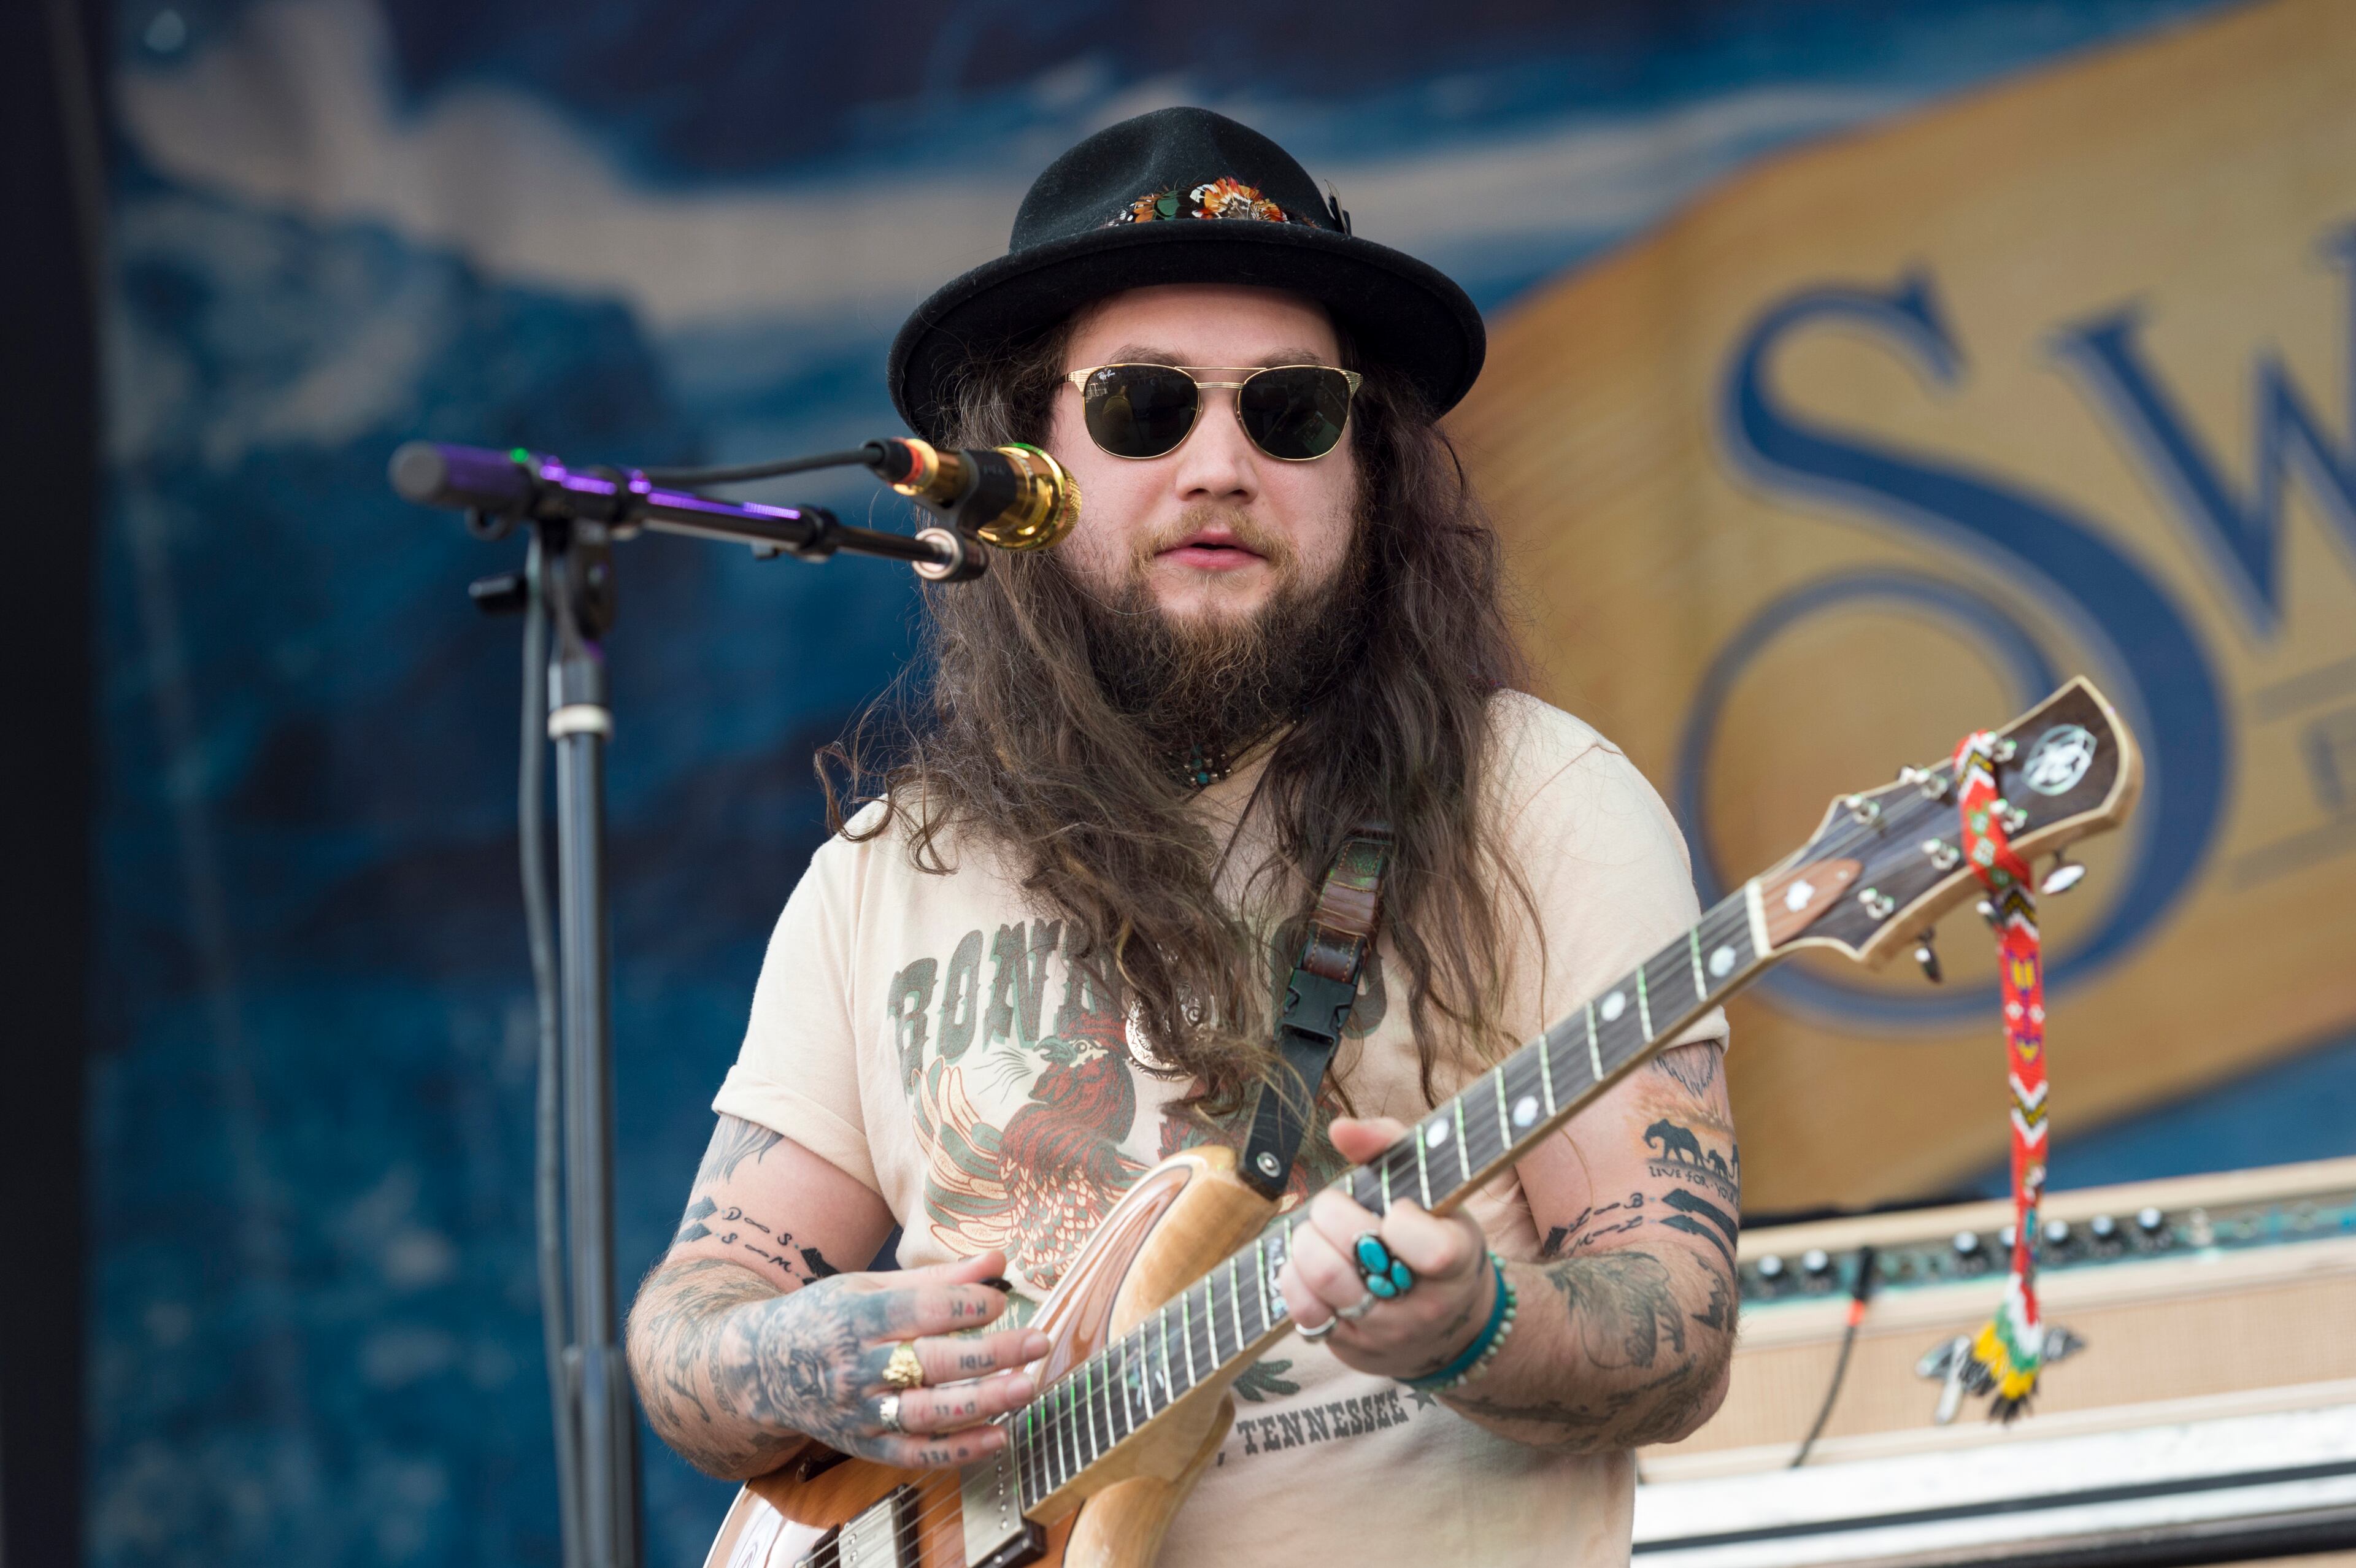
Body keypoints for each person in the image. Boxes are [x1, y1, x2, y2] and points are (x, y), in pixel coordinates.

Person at [624, 106, 1737, 1567]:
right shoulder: (887, 871)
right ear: (1027, 462)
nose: (1221, 464)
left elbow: (1681, 1320)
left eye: (1290, 413)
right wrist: (803, 1358)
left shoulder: (1540, 804)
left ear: (1368, 471)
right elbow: (686, 1328)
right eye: (1148, 407)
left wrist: (1476, 1324)